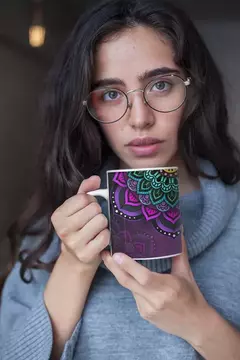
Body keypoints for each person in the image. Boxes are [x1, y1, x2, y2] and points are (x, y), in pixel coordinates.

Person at [1, 0, 240, 359]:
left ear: (193, 90)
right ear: (87, 107)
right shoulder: (51, 230)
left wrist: (201, 325)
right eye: (111, 94)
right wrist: (73, 267)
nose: (139, 118)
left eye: (160, 85)